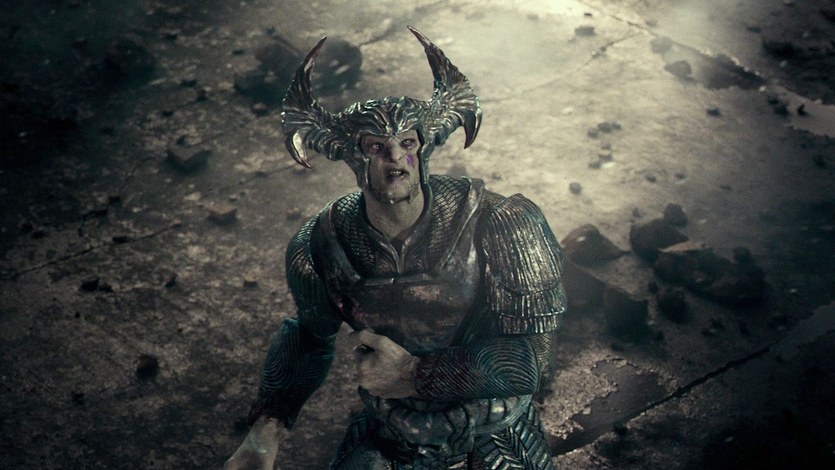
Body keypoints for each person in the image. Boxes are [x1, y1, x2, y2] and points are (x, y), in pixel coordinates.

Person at [225, 26, 567, 469]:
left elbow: (533, 361)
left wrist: (414, 375)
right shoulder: (320, 244)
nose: (395, 159)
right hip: (391, 434)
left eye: (407, 143)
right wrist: (264, 431)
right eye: (375, 147)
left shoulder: (504, 223)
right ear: (353, 157)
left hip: (495, 434)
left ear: (423, 149)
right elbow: (310, 336)